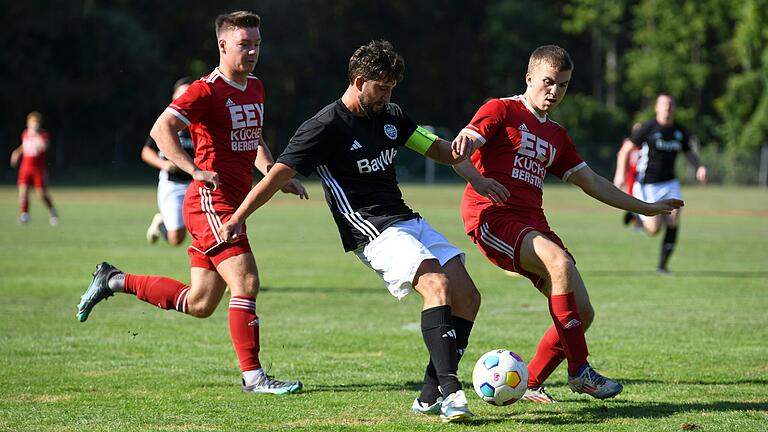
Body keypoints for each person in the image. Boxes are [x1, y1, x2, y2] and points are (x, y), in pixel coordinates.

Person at [216, 40, 481, 422]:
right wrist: (240, 215)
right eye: (382, 87)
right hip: (370, 228)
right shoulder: (324, 127)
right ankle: (453, 393)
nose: (388, 95)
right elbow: (276, 176)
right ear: (359, 82)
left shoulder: (392, 116)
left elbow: (438, 150)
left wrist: (465, 144)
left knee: (468, 297)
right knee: (436, 284)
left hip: (405, 218)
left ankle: (429, 394)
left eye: (392, 87)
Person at [76, 11, 308, 395]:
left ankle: (113, 279)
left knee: (199, 302)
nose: (252, 52)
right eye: (244, 44)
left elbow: (253, 138)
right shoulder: (205, 90)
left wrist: (273, 175)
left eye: (256, 44)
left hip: (232, 203)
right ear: (222, 45)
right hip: (211, 204)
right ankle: (254, 378)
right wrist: (192, 169)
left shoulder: (255, 88)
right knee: (246, 281)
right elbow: (160, 129)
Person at [450, 45, 684, 403]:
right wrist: (479, 181)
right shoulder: (501, 109)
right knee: (559, 264)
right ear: (529, 78)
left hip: (534, 224)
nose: (554, 92)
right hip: (493, 217)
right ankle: (580, 371)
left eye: (563, 85)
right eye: (548, 82)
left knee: (583, 312)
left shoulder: (556, 135)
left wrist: (645, 207)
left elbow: (592, 182)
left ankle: (532, 382)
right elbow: (458, 151)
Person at [613, 94, 708, 274]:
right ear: (657, 108)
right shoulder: (648, 128)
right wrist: (620, 175)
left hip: (670, 182)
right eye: (664, 105)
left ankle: (662, 266)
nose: (667, 108)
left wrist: (699, 166)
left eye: (671, 105)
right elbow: (626, 150)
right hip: (647, 184)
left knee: (674, 218)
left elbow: (689, 153)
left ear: (675, 108)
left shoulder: (679, 131)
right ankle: (636, 214)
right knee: (653, 229)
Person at [141, 77, 195, 246]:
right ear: (174, 97)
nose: (187, 98)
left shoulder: (200, 122)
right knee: (176, 239)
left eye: (190, 94)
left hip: (197, 183)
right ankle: (161, 223)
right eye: (183, 94)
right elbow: (146, 151)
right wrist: (164, 165)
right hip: (174, 184)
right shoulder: (167, 123)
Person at [10, 111, 59, 225]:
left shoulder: (43, 135)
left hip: (38, 169)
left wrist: (36, 135)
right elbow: (25, 145)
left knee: (40, 193)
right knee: (23, 191)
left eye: (36, 123)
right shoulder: (25, 133)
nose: (33, 125)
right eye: (31, 122)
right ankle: (24, 215)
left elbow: (44, 147)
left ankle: (52, 210)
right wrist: (17, 153)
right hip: (25, 168)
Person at [615, 123, 642, 228]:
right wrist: (621, 173)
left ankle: (636, 219)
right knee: (632, 196)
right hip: (631, 174)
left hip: (641, 174)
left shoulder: (645, 143)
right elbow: (622, 156)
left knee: (639, 197)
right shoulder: (628, 143)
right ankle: (635, 220)